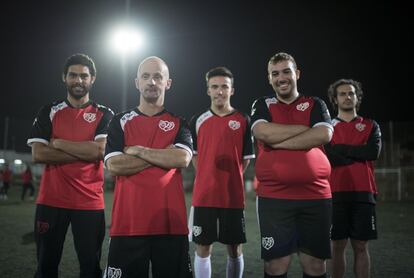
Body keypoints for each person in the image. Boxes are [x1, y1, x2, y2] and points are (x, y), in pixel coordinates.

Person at [104, 56, 193, 278]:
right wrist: (164, 153)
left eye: (157, 77)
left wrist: (138, 151)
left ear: (167, 83)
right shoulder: (119, 121)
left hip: (171, 226)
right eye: (146, 76)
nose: (151, 82)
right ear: (136, 82)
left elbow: (181, 159)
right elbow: (114, 165)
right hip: (128, 225)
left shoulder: (180, 123)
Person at [27, 53, 114, 278]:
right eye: (73, 75)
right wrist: (85, 152)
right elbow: (39, 153)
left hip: (90, 203)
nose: (78, 80)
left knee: (90, 268)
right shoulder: (48, 111)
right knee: (45, 267)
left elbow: (100, 151)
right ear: (64, 78)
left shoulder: (105, 114)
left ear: (92, 78)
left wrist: (59, 143)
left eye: (84, 76)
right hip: (51, 200)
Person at [250, 52, 333, 278]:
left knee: (315, 265)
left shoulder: (315, 103)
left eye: (286, 71)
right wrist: (306, 129)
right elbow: (261, 131)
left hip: (315, 196)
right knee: (275, 266)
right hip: (274, 197)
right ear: (269, 78)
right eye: (275, 74)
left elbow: (324, 134)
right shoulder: (262, 104)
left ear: (296, 74)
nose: (281, 78)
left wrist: (277, 143)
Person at [188, 67, 255, 278]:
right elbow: (194, 156)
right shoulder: (197, 120)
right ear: (207, 90)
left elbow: (244, 161)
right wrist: (208, 176)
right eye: (214, 87)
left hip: (233, 197)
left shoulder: (244, 120)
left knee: (235, 249)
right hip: (204, 196)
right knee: (203, 248)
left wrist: (231, 177)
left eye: (224, 87)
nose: (219, 91)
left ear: (232, 90)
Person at [325, 79, 381, 278]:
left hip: (363, 193)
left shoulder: (370, 125)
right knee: (337, 245)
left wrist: (343, 150)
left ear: (357, 98)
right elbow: (328, 156)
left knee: (360, 245)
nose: (347, 97)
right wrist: (357, 152)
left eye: (351, 93)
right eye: (342, 94)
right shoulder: (327, 128)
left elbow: (372, 152)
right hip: (335, 192)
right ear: (334, 99)